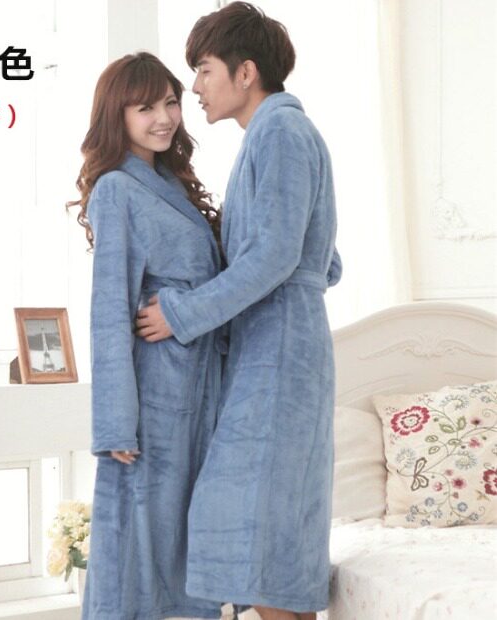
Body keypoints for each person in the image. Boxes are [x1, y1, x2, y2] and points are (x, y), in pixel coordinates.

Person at [135, 3, 342, 619]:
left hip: (278, 356)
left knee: (255, 539)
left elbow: (277, 254)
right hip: (277, 347)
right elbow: (324, 260)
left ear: (245, 72)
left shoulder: (280, 133)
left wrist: (183, 313)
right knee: (269, 545)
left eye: (203, 69)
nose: (194, 87)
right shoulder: (274, 137)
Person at [71, 52, 225, 619]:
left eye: (170, 102)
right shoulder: (117, 189)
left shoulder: (172, 184)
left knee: (185, 537)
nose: (164, 118)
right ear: (118, 114)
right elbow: (109, 306)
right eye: (145, 108)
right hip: (154, 388)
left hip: (200, 381)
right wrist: (115, 420)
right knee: (142, 536)